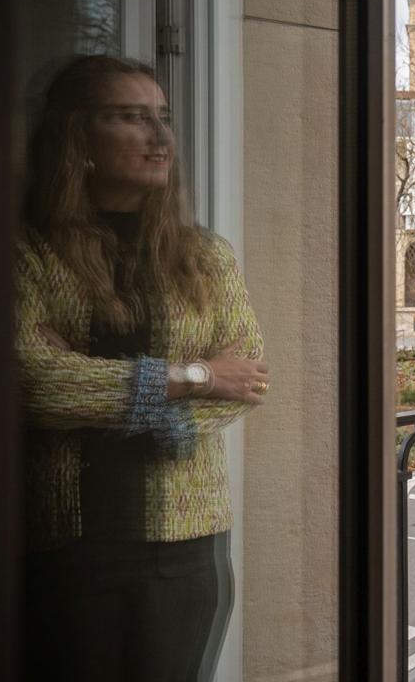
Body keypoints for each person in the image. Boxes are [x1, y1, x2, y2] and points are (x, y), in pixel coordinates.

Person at [16, 55, 268, 681]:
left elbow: (247, 378)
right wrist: (192, 378)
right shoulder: (29, 251)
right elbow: (33, 381)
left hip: (185, 546)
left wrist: (116, 395)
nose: (160, 137)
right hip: (66, 547)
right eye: (131, 117)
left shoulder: (205, 256)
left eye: (164, 118)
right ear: (79, 137)